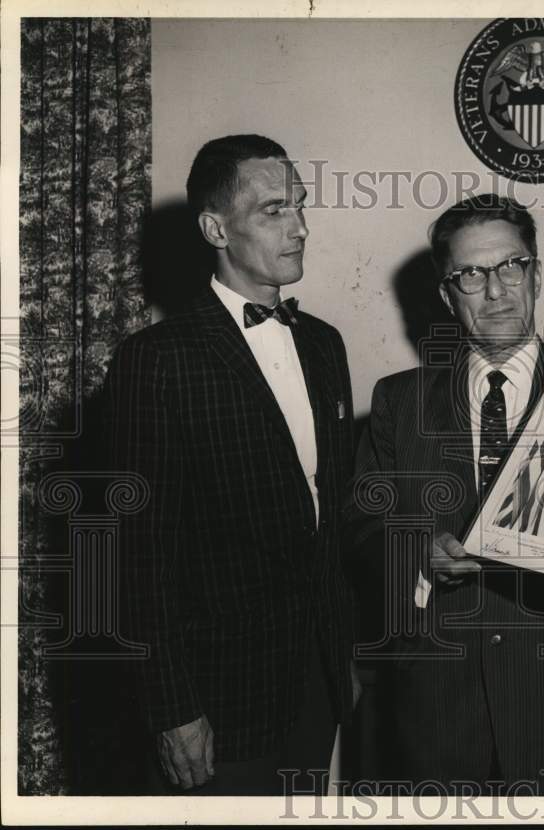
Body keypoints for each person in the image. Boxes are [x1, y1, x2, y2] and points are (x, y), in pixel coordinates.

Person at [347, 195, 544, 795]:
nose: (497, 290)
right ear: (447, 295)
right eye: (472, 274)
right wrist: (420, 553)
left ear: (536, 274)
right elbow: (363, 529)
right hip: (435, 720)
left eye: (512, 266)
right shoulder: (399, 402)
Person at [104, 134, 358, 795]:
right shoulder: (156, 360)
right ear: (215, 228)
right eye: (274, 210)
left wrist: (344, 656)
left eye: (299, 205)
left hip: (317, 682)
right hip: (217, 701)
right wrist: (173, 708)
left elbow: (330, 520)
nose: (300, 226)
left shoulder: (326, 347)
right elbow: (138, 555)